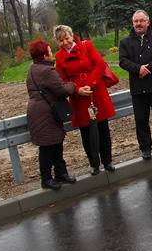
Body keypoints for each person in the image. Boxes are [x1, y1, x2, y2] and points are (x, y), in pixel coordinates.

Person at [26, 40, 91, 190]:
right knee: (48, 147)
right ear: (44, 55)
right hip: (46, 112)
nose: (51, 53)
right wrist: (73, 84)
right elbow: (62, 90)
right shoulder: (47, 71)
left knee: (55, 143)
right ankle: (47, 179)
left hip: (39, 111)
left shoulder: (33, 68)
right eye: (49, 51)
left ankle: (61, 173)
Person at [53, 25, 116, 175]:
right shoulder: (59, 57)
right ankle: (94, 164)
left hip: (96, 92)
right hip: (79, 98)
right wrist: (77, 90)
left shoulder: (86, 46)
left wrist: (90, 84)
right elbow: (62, 80)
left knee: (102, 128)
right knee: (86, 132)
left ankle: (107, 161)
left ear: (72, 35)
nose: (65, 42)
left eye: (67, 38)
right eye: (61, 41)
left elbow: (100, 65)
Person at [119, 10, 152, 160]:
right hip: (138, 87)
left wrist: (148, 68)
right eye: (136, 21)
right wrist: (138, 69)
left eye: (141, 21)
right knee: (141, 120)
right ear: (133, 23)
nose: (139, 24)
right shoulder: (125, 42)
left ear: (148, 22)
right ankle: (145, 148)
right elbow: (123, 61)